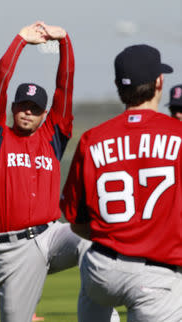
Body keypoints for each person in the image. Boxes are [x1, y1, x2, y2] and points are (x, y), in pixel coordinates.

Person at [0, 21, 109, 322]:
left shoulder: (52, 136)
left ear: (44, 113)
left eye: (35, 108)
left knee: (96, 238)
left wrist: (65, 43)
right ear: (12, 108)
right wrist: (20, 41)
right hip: (14, 249)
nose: (27, 111)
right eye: (22, 105)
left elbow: (66, 86)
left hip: (54, 234)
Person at [60, 44, 182, 321]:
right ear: (159, 82)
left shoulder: (93, 139)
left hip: (101, 270)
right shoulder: (179, 135)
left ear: (118, 86)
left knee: (92, 277)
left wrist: (117, 240)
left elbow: (77, 222)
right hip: (156, 274)